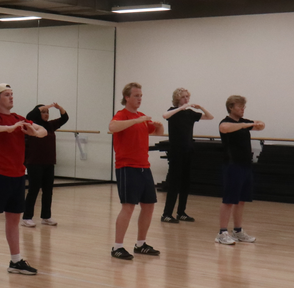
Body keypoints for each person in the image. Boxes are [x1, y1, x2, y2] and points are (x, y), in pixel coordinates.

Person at [0, 83, 47, 281]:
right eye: (7, 95)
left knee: (14, 221)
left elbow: (43, 130)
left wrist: (34, 132)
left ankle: (15, 261)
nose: (11, 97)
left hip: (18, 176)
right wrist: (7, 129)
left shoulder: (19, 118)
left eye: (12, 94)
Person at [109, 83, 164, 261]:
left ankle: (141, 244)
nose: (139, 98)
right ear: (127, 97)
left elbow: (158, 133)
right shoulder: (122, 115)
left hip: (144, 167)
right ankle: (117, 247)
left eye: (141, 95)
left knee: (149, 205)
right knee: (128, 206)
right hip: (127, 167)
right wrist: (136, 121)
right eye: (136, 95)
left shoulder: (142, 117)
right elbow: (112, 127)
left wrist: (159, 125)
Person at [217, 95, 265, 245]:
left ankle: (237, 231)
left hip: (245, 165)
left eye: (244, 106)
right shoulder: (226, 122)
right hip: (232, 165)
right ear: (231, 107)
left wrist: (256, 123)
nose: (242, 109)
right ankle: (222, 232)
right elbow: (224, 128)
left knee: (241, 200)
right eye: (239, 106)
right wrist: (244, 125)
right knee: (229, 200)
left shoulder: (244, 122)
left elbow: (260, 126)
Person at [161, 88, 214, 223]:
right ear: (178, 98)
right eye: (183, 97)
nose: (186, 99)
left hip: (188, 150)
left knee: (185, 183)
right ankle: (166, 214)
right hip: (176, 152)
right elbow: (165, 115)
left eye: (187, 97)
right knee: (174, 183)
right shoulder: (173, 111)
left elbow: (210, 117)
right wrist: (181, 108)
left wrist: (201, 107)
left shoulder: (190, 114)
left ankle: (181, 212)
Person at [21, 102, 69, 227]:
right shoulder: (32, 125)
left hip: (49, 162)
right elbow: (30, 114)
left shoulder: (50, 125)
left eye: (47, 112)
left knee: (48, 191)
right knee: (34, 190)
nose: (46, 114)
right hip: (34, 163)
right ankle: (27, 217)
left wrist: (59, 108)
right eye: (43, 112)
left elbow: (65, 118)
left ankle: (46, 216)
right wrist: (46, 106)